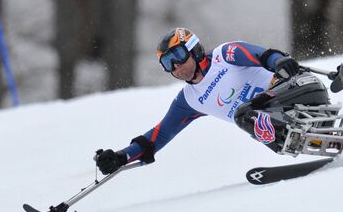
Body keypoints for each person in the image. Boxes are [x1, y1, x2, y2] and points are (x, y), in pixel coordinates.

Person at [96, 27, 330, 175]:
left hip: (300, 89)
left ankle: (301, 138)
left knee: (243, 113)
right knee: (246, 114)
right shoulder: (189, 100)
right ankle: (310, 141)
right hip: (283, 121)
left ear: (193, 49)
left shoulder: (224, 55)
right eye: (168, 63)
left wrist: (280, 62)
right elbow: (158, 135)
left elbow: (263, 55)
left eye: (177, 56)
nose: (176, 67)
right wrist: (120, 157)